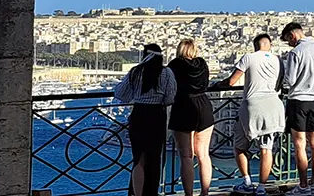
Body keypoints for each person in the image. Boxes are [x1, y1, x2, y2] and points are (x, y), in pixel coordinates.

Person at [221, 34, 284, 195]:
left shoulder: (249, 57)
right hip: (274, 106)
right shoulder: (278, 60)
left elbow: (232, 81)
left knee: (239, 146)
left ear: (255, 46)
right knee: (266, 149)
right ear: (269, 45)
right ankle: (262, 188)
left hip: (252, 106)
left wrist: (217, 84)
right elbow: (280, 85)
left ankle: (247, 181)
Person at [115, 43, 176, 196]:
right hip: (157, 116)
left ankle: (136, 193)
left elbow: (121, 94)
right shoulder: (167, 73)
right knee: (154, 158)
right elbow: (170, 97)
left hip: (139, 115)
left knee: (139, 158)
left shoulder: (136, 72)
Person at [278, 22, 314, 195]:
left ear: (292, 35)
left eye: (288, 40)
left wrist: (283, 85)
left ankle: (303, 186)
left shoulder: (295, 53)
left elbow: (290, 80)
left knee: (300, 144)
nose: (289, 44)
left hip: (298, 102)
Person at [169, 39, 218, 196]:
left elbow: (169, 87)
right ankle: (205, 192)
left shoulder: (174, 65)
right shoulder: (202, 64)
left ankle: (189, 194)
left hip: (183, 106)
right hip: (203, 105)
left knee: (186, 156)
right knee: (203, 154)